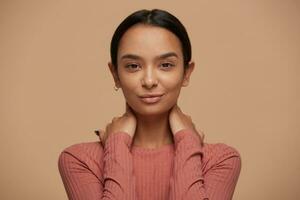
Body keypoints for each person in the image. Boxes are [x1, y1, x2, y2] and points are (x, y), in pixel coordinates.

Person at [58, 8, 242, 200]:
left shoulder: (220, 160)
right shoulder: (80, 160)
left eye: (165, 65)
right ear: (115, 75)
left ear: (187, 72)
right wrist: (117, 145)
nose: (149, 81)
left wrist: (187, 141)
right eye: (133, 66)